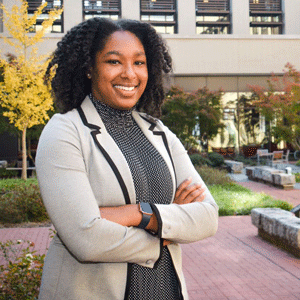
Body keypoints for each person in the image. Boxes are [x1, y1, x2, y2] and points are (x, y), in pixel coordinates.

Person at [36, 17, 218, 300]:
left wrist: (138, 214)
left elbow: (208, 216)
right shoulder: (64, 131)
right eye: (114, 61)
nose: (129, 74)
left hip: (165, 291)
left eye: (139, 62)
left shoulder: (159, 132)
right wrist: (168, 229)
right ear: (88, 68)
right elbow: (85, 239)